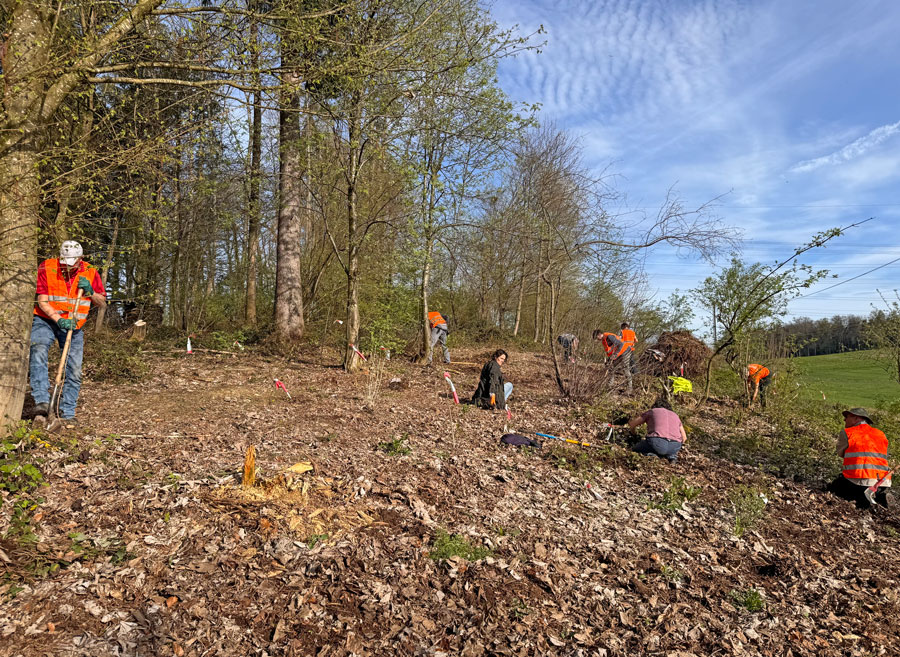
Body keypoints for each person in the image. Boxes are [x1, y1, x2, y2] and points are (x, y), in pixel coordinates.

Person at [30, 241, 106, 424]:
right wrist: (59, 319)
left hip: (75, 326)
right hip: (46, 320)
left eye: (72, 263)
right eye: (65, 263)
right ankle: (42, 400)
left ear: (81, 259)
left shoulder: (90, 271)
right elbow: (42, 301)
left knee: (74, 369)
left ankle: (67, 412)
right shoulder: (47, 267)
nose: (67, 268)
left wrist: (91, 292)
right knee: (38, 349)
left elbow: (102, 302)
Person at [828, 408, 893, 509]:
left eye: (847, 417)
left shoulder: (848, 433)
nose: (844, 420)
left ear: (856, 418)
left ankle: (866, 500)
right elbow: (884, 456)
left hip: (860, 480)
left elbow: (841, 453)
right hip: (883, 481)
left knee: (837, 488)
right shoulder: (881, 434)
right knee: (864, 490)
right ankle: (880, 497)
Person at [627, 396, 687, 463]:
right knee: (666, 449)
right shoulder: (675, 415)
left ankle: (651, 455)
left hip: (657, 442)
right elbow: (684, 438)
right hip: (674, 446)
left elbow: (632, 424)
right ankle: (672, 457)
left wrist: (633, 433)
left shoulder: (652, 411)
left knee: (636, 448)